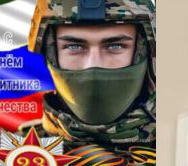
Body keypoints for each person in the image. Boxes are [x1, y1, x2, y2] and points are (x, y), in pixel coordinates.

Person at [22, 0, 156, 150]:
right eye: (74, 46)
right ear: (51, 55)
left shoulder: (174, 144)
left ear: (142, 51)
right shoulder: (17, 155)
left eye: (115, 46)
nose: (93, 65)